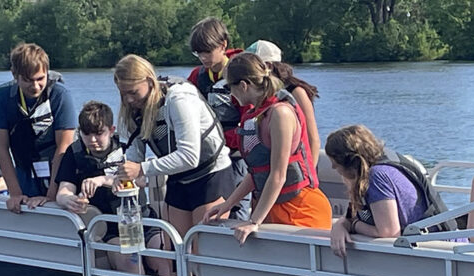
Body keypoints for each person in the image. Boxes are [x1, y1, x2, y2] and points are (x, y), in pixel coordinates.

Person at [204, 53, 331, 245]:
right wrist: (228, 204)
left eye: (231, 87)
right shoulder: (255, 114)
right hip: (270, 206)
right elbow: (258, 171)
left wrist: (254, 221)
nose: (230, 95)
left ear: (244, 85)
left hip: (299, 208)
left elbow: (278, 174)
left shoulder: (280, 114)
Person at [113, 54, 234, 237]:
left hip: (210, 174)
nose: (129, 100)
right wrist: (123, 176)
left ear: (149, 81)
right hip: (179, 177)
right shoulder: (134, 110)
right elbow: (134, 155)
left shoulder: (178, 99)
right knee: (178, 246)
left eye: (133, 92)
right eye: (123, 94)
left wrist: (141, 169)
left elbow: (189, 156)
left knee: (203, 245)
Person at [54, 101, 166, 275]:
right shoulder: (74, 153)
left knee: (164, 259)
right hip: (110, 229)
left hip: (141, 219)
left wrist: (103, 180)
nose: (92, 140)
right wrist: (70, 200)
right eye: (86, 134)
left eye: (99, 134)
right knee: (130, 262)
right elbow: (63, 191)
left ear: (111, 130)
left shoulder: (127, 147)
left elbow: (142, 179)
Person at [324, 125, 457, 257]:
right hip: (441, 245)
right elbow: (353, 213)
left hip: (441, 250)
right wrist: (341, 224)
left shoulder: (376, 177)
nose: (333, 167)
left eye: (335, 164)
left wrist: (353, 226)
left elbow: (388, 232)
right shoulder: (385, 164)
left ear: (350, 163)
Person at [0, 43, 78, 213]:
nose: (35, 86)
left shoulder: (60, 95)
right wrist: (15, 194)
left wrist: (51, 196)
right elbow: (2, 148)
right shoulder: (2, 95)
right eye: (27, 80)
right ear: (15, 75)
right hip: (25, 173)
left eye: (40, 79)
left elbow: (64, 147)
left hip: (59, 173)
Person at [187, 17, 250, 221]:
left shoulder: (239, 73)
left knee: (238, 209)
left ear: (223, 46)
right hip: (210, 158)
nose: (203, 57)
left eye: (207, 51)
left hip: (237, 156)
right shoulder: (198, 76)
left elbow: (249, 121)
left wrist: (222, 139)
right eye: (199, 53)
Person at [245, 40, 322, 165]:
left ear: (268, 66)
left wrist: (309, 177)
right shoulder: (262, 95)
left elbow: (313, 139)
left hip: (301, 170)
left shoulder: (297, 92)